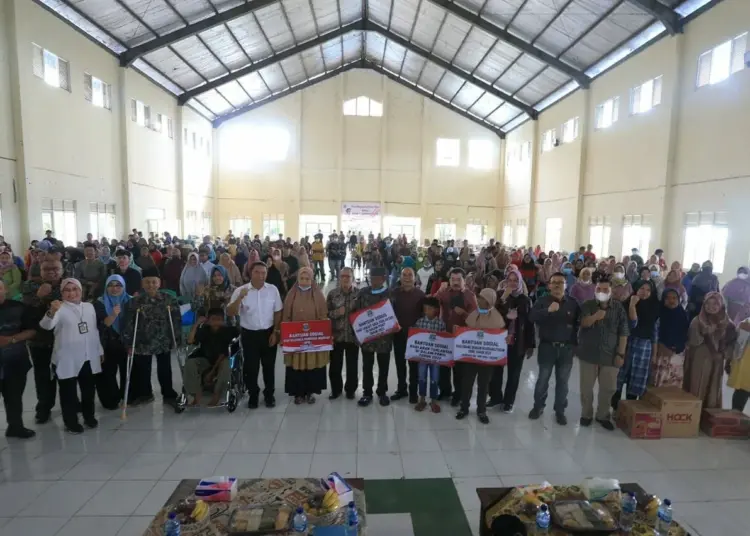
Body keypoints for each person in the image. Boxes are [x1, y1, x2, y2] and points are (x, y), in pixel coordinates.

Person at [39, 279, 102, 434]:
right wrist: (51, 312)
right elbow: (46, 325)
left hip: (88, 355)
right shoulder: (59, 308)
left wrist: (99, 351)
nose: (72, 293)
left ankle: (89, 417)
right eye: (67, 290)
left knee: (88, 391)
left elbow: (94, 331)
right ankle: (71, 422)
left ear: (81, 291)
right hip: (66, 358)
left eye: (75, 289)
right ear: (62, 293)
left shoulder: (89, 307)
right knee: (68, 393)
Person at [228, 261, 283, 409]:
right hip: (249, 335)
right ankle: (253, 394)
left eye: (263, 273)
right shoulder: (241, 290)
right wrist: (240, 298)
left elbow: (278, 312)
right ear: (250, 273)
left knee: (269, 367)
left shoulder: (272, 290)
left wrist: (276, 332)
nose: (260, 276)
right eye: (257, 272)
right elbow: (230, 312)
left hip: (268, 333)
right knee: (250, 368)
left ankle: (269, 395)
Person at [123, 268, 181, 407]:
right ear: (142, 284)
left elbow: (176, 321)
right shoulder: (134, 302)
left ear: (159, 283)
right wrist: (129, 342)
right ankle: (145, 394)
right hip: (143, 341)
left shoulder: (169, 300)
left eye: (154, 282)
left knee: (164, 368)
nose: (151, 285)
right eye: (147, 282)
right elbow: (129, 324)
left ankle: (168, 394)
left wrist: (177, 339)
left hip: (163, 340)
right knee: (144, 369)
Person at [577, 275, 629, 430]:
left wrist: (620, 354)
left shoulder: (618, 308)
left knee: (608, 388)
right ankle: (586, 414)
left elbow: (624, 332)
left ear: (611, 291)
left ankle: (603, 415)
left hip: (610, 354)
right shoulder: (588, 305)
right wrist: (596, 316)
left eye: (605, 289)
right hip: (588, 353)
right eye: (599, 289)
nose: (602, 292)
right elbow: (583, 323)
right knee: (586, 387)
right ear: (595, 290)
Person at [528, 272, 579, 425]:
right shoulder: (542, 301)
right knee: (543, 379)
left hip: (566, 349)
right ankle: (538, 407)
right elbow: (531, 317)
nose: (557, 285)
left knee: (563, 382)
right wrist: (548, 311)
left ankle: (560, 411)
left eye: (561, 282)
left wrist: (575, 345)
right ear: (549, 285)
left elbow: (578, 325)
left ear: (566, 285)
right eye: (554, 282)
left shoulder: (573, 303)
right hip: (547, 347)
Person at [22, 259, 64, 424]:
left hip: (63, 339)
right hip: (39, 340)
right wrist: (40, 296)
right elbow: (27, 312)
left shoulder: (68, 285)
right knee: (42, 375)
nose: (51, 272)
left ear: (62, 270)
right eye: (47, 269)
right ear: (40, 271)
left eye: (55, 268)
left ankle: (71, 403)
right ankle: (44, 407)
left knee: (66, 373)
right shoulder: (29, 286)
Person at [457, 288, 505, 424]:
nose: (478, 300)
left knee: (483, 385)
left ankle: (481, 410)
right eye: (478, 297)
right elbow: (467, 331)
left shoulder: (497, 318)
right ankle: (464, 408)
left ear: (489, 301)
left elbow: (498, 339)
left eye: (482, 298)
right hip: (471, 357)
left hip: (486, 359)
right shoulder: (474, 314)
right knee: (467, 383)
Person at [489, 270, 534, 413]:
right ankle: (495, 397)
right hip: (500, 341)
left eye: (516, 280)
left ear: (520, 282)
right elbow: (492, 314)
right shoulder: (500, 297)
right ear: (506, 282)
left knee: (514, 373)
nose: (513, 283)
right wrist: (503, 298)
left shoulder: (525, 300)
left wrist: (530, 344)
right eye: (510, 280)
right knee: (496, 371)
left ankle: (509, 401)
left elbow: (529, 323)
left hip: (517, 341)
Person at [282, 267, 329, 404]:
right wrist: (284, 334)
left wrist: (323, 333)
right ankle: (298, 393)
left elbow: (323, 315)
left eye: (307, 279)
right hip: (296, 339)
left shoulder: (318, 294)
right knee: (296, 366)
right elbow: (286, 315)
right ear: (298, 279)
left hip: (312, 339)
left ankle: (310, 392)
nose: (304, 281)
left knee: (311, 365)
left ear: (312, 279)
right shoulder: (291, 295)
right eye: (302, 278)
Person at [683, 292, 737, 409]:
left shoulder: (729, 324)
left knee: (713, 387)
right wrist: (708, 332)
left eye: (715, 304)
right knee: (697, 385)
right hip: (699, 359)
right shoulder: (698, 321)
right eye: (708, 303)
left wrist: (724, 353)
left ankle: (708, 416)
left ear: (721, 305)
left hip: (717, 361)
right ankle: (692, 413)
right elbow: (693, 340)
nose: (711, 307)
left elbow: (732, 344)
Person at [612, 281, 659, 410]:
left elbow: (654, 335)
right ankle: (615, 408)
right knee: (618, 379)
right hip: (626, 345)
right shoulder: (625, 305)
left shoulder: (654, 309)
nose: (644, 292)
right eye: (642, 288)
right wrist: (632, 305)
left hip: (643, 349)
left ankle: (628, 412)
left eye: (648, 290)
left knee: (635, 382)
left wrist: (654, 355)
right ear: (636, 290)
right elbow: (628, 325)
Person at [436, 268, 478, 406]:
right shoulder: (445, 293)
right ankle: (445, 391)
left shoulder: (470, 295)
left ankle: (458, 394)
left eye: (458, 279)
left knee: (459, 369)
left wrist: (464, 314)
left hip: (462, 337)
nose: (455, 282)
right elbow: (431, 303)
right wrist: (438, 291)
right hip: (444, 334)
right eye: (452, 279)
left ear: (464, 281)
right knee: (444, 365)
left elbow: (476, 318)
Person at [0, 280, 37, 438]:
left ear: (5, 289)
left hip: (15, 361)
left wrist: (11, 339)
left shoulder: (18, 307)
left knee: (14, 396)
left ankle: (15, 426)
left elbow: (32, 331)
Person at [353, 266, 394, 407]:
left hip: (384, 339)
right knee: (367, 367)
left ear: (383, 279)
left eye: (376, 279)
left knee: (384, 367)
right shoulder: (363, 293)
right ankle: (367, 393)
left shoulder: (389, 294)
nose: (373, 281)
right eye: (371, 278)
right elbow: (356, 313)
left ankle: (382, 392)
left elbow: (394, 316)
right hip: (367, 339)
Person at [185, 308, 237, 407]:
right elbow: (190, 341)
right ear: (208, 320)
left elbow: (224, 353)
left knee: (226, 364)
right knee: (190, 363)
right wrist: (196, 324)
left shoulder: (229, 331)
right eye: (213, 319)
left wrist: (212, 371)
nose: (216, 322)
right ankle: (196, 392)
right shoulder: (204, 330)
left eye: (219, 319)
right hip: (206, 358)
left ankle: (217, 394)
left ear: (223, 320)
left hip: (222, 360)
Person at [93, 275, 130, 410]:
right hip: (107, 343)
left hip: (126, 343)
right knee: (108, 373)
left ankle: (127, 396)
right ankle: (111, 399)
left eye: (118, 285)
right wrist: (114, 314)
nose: (114, 288)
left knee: (127, 372)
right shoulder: (99, 303)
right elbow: (102, 325)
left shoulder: (130, 301)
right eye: (111, 285)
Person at [390, 267, 425, 403]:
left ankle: (413, 391)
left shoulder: (421, 295)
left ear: (414, 278)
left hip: (414, 335)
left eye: (410, 275)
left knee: (413, 365)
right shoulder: (394, 293)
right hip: (398, 334)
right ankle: (401, 389)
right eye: (404, 274)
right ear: (400, 277)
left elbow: (424, 314)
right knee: (400, 363)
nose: (407, 277)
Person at [326, 267, 359, 400]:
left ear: (353, 278)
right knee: (335, 365)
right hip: (336, 336)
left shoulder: (359, 294)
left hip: (353, 336)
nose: (345, 279)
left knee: (352, 366)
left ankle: (350, 390)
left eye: (348, 276)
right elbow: (325, 314)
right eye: (343, 276)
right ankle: (336, 390)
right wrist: (336, 312)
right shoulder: (332, 294)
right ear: (339, 278)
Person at [650, 288, 690, 388]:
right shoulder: (658, 314)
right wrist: (662, 346)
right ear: (663, 300)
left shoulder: (683, 315)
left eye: (674, 298)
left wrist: (677, 348)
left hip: (678, 355)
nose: (671, 301)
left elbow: (686, 335)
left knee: (673, 387)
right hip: (660, 354)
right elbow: (654, 333)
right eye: (667, 298)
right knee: (657, 384)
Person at [413, 296, 446, 413]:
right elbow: (415, 338)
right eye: (425, 308)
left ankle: (434, 400)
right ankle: (422, 399)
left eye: (429, 308)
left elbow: (444, 341)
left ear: (436, 310)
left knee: (435, 378)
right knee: (421, 377)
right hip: (422, 356)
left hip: (435, 358)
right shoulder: (420, 322)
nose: (427, 311)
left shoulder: (440, 324)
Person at [728, 317, 750, 412]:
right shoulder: (746, 323)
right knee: (740, 397)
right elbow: (738, 348)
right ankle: (735, 423)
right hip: (745, 369)